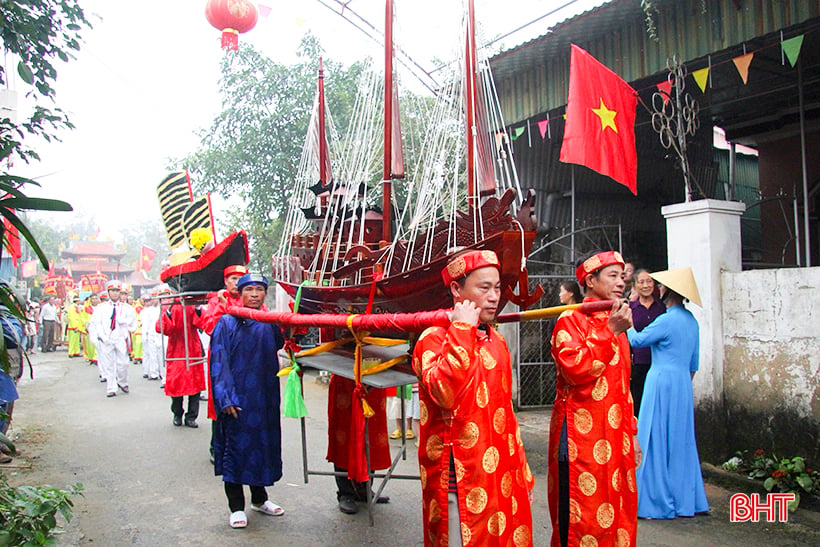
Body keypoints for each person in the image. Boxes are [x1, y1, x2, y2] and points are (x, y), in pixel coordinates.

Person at [413, 250, 534, 547]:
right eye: (484, 288)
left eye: (497, 288)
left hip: (500, 474)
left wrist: (523, 469)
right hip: (459, 478)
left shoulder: (498, 340)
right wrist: (463, 329)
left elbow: (507, 413)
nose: (494, 297)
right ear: (456, 289)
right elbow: (446, 393)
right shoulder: (432, 339)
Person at [548, 250, 640, 547]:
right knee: (579, 515)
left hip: (615, 435)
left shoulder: (617, 322)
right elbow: (577, 371)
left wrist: (633, 432)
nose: (621, 283)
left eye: (623, 277)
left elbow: (624, 385)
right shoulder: (570, 320)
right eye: (613, 276)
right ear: (589, 280)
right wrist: (610, 332)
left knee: (616, 511)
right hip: (578, 437)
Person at [627, 267, 709, 519]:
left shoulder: (666, 319)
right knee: (681, 440)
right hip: (682, 383)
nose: (657, 289)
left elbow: (638, 341)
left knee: (653, 438)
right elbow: (694, 364)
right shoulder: (691, 322)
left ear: (667, 292)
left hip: (660, 380)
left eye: (661, 286)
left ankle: (654, 500)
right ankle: (686, 499)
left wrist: (627, 323)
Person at [210, 273, 285, 529]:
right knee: (237, 450)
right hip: (237, 399)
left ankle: (260, 499)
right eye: (249, 290)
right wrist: (225, 397)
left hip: (264, 397)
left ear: (265, 293)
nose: (254, 294)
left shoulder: (268, 322)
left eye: (259, 290)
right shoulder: (227, 323)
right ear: (239, 294)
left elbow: (281, 343)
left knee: (261, 448)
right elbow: (218, 362)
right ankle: (235, 506)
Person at [158, 299, 205, 427]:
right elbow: (162, 328)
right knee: (176, 384)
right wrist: (168, 311)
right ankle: (177, 413)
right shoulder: (171, 305)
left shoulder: (193, 303)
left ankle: (191, 416)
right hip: (176, 349)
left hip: (193, 348)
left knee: (195, 385)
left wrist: (198, 308)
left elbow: (202, 324)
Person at [89, 280, 138, 397]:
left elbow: (134, 325)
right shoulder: (101, 308)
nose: (115, 294)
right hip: (107, 338)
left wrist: (124, 322)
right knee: (109, 364)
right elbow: (97, 323)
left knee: (123, 364)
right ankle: (111, 387)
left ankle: (122, 382)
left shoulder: (127, 308)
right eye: (112, 291)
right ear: (108, 292)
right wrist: (102, 337)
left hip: (121, 338)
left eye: (117, 291)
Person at [628, 269, 665, 416]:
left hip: (659, 361)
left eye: (649, 281)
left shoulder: (662, 307)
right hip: (638, 363)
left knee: (658, 403)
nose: (646, 285)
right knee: (638, 402)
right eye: (641, 282)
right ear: (635, 285)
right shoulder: (631, 309)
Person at [140, 294, 162, 381]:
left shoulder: (162, 308)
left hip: (160, 333)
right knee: (152, 354)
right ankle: (153, 373)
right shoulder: (148, 310)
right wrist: (145, 334)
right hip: (151, 333)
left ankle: (161, 372)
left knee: (161, 355)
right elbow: (146, 324)